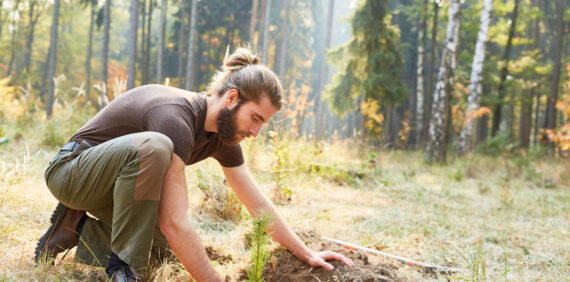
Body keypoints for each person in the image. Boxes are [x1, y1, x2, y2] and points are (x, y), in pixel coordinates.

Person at [35, 47, 354, 281]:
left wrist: (306, 253)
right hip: (72, 172)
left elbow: (256, 203)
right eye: (255, 118)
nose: (255, 132)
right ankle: (124, 269)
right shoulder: (175, 115)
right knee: (156, 147)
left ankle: (74, 226)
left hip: (115, 188)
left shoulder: (224, 135)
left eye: (262, 124)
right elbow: (175, 221)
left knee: (165, 254)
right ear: (231, 98)